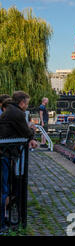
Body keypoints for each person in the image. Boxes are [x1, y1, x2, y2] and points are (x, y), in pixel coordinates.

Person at [0, 91, 38, 230]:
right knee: (4, 189)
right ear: (21, 102)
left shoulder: (10, 110)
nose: (27, 106)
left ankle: (4, 219)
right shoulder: (17, 113)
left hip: (6, 152)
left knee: (5, 187)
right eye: (27, 103)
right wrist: (32, 134)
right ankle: (2, 224)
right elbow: (25, 132)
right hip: (4, 154)